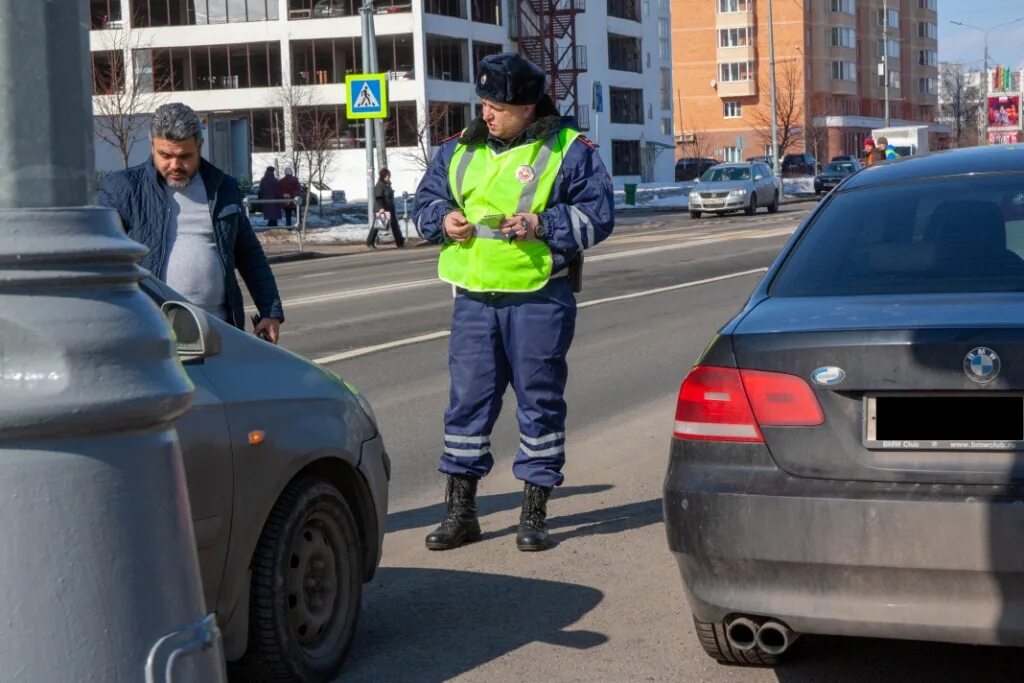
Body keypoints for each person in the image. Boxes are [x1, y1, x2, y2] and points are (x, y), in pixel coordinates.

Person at [413, 52, 614, 552]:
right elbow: (423, 202)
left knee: (538, 402)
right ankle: (461, 512)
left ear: (527, 107)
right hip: (474, 298)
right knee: (467, 406)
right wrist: (442, 220)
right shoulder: (457, 149)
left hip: (539, 296)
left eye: (497, 106)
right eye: (483, 103)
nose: (486, 114)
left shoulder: (570, 149)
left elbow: (600, 214)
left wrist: (543, 224)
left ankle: (534, 511)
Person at [98, 102, 284, 343]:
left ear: (200, 146)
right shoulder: (123, 189)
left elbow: (249, 255)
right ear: (152, 145)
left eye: (184, 156)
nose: (174, 165)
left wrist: (270, 312)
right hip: (150, 335)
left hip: (219, 331)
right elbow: (100, 263)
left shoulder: (222, 187)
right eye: (165, 155)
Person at [367, 168, 406, 249]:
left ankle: (400, 243)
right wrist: (381, 208)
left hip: (389, 208)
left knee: (394, 225)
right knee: (377, 226)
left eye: (389, 175)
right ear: (383, 176)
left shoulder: (387, 184)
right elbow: (378, 197)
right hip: (381, 209)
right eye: (387, 175)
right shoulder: (380, 185)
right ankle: (370, 242)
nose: (389, 177)